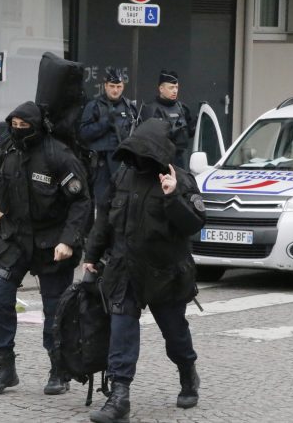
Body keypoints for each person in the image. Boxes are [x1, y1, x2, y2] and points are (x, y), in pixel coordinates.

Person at [82, 118, 206, 423]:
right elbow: (104, 219)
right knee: (121, 332)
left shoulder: (181, 180)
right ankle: (119, 397)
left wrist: (172, 196)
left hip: (165, 273)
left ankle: (187, 373)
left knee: (175, 335)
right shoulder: (122, 176)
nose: (139, 157)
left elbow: (194, 225)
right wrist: (92, 255)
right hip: (124, 270)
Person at [0, 101, 91, 396]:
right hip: (14, 238)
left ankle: (59, 369)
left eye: (24, 126)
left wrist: (68, 240)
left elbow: (81, 202)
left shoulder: (59, 155)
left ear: (38, 127)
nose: (19, 130)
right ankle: (5, 367)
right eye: (15, 125)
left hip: (52, 241)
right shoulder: (8, 151)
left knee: (56, 309)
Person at [79, 68, 139, 207]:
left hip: (123, 163)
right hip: (101, 165)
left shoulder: (129, 108)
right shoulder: (94, 106)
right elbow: (83, 133)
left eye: (118, 86)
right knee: (102, 203)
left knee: (123, 202)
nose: (115, 90)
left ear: (123, 87)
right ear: (105, 86)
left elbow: (139, 134)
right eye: (112, 86)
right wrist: (104, 123)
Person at [140, 69, 195, 168]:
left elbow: (190, 132)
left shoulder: (183, 108)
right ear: (161, 89)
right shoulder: (151, 109)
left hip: (181, 161)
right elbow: (146, 141)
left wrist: (198, 121)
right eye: (171, 87)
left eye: (176, 87)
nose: (175, 91)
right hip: (159, 161)